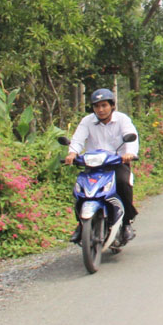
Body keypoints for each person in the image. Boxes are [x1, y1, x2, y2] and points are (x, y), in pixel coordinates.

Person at [64, 88, 139, 243]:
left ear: (112, 105)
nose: (101, 109)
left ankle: (126, 224)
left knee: (123, 184)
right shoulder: (87, 121)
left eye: (104, 105)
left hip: (117, 163)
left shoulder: (122, 120)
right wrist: (72, 153)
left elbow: (131, 137)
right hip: (93, 166)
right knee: (80, 191)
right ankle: (81, 224)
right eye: (97, 106)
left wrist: (129, 153)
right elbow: (78, 140)